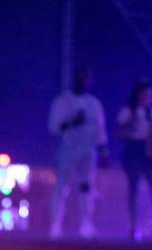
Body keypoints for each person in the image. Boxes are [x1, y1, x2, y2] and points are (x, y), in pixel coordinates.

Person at [47, 67, 108, 239]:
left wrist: (104, 150)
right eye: (81, 77)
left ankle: (86, 225)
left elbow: (100, 129)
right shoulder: (62, 101)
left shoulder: (94, 103)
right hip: (68, 150)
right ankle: (55, 226)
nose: (84, 81)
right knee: (61, 187)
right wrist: (72, 122)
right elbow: (54, 127)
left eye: (87, 78)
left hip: (88, 151)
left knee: (86, 187)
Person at [117, 80, 152, 239]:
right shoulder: (127, 111)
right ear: (138, 95)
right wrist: (132, 123)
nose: (147, 97)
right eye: (145, 94)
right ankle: (133, 226)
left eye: (150, 95)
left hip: (149, 151)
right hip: (133, 150)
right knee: (134, 188)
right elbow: (120, 133)